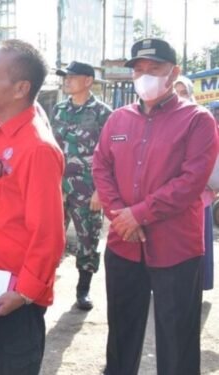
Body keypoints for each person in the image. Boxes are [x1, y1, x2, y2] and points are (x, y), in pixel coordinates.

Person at [93, 38, 218, 375]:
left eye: (154, 69)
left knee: (177, 337)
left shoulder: (198, 120)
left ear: (173, 72)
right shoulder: (118, 119)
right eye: (139, 70)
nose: (145, 76)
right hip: (124, 244)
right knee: (121, 332)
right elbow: (100, 167)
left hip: (176, 246)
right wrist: (119, 214)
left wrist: (139, 213)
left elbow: (191, 181)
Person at [0, 39, 65, 375]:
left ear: (21, 88)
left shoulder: (36, 147)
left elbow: (48, 234)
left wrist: (24, 293)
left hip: (14, 300)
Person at [52, 61, 112, 311]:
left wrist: (101, 190)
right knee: (51, 236)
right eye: (65, 77)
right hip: (58, 187)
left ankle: (83, 289)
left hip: (88, 189)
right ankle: (44, 284)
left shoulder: (103, 113)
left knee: (88, 238)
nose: (67, 80)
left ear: (88, 80)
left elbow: (110, 155)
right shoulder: (58, 110)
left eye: (72, 77)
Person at [175, 76, 215, 292]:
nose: (180, 97)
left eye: (183, 92)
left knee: (198, 245)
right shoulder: (165, 120)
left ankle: (196, 286)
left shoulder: (201, 119)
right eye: (176, 91)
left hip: (200, 197)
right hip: (170, 200)